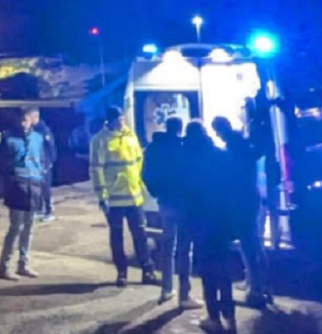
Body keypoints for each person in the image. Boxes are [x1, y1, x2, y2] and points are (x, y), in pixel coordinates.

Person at [90, 106, 157, 287]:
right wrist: (102, 196)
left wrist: (142, 187)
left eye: (122, 118)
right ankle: (122, 273)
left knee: (141, 236)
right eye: (118, 119)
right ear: (110, 121)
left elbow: (139, 162)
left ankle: (148, 271)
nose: (121, 122)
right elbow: (96, 170)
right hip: (114, 199)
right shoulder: (100, 140)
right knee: (117, 237)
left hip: (134, 197)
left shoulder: (131, 136)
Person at [143, 117, 203, 309]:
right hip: (184, 204)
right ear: (180, 129)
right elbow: (192, 175)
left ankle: (166, 289)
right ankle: (184, 296)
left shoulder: (153, 148)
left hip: (165, 202)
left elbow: (145, 174)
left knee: (167, 246)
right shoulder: (183, 148)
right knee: (184, 250)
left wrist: (156, 192)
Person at [214, 114, 273, 307]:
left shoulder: (231, 149)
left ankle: (255, 290)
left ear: (220, 130)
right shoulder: (243, 143)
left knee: (248, 246)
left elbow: (228, 177)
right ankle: (261, 284)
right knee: (254, 243)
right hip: (251, 196)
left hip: (241, 201)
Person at [184, 120, 237, 331]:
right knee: (223, 270)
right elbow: (231, 188)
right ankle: (230, 316)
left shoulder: (188, 161)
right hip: (221, 221)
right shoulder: (220, 155)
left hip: (199, 223)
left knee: (207, 272)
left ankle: (213, 318)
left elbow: (186, 193)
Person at [0, 109, 45, 280]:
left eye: (25, 120)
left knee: (29, 227)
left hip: (34, 184)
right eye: (21, 120)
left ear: (31, 120)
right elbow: (1, 163)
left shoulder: (38, 138)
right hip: (17, 185)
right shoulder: (9, 139)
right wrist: (9, 182)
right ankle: (4, 266)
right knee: (16, 227)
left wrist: (41, 178)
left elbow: (42, 160)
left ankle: (23, 264)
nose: (23, 123)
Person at [25, 106, 57, 222]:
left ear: (34, 117)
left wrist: (50, 162)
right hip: (35, 163)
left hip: (44, 163)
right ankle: (39, 210)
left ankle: (49, 211)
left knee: (45, 188)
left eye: (29, 117)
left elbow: (50, 146)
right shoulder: (32, 130)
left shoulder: (43, 130)